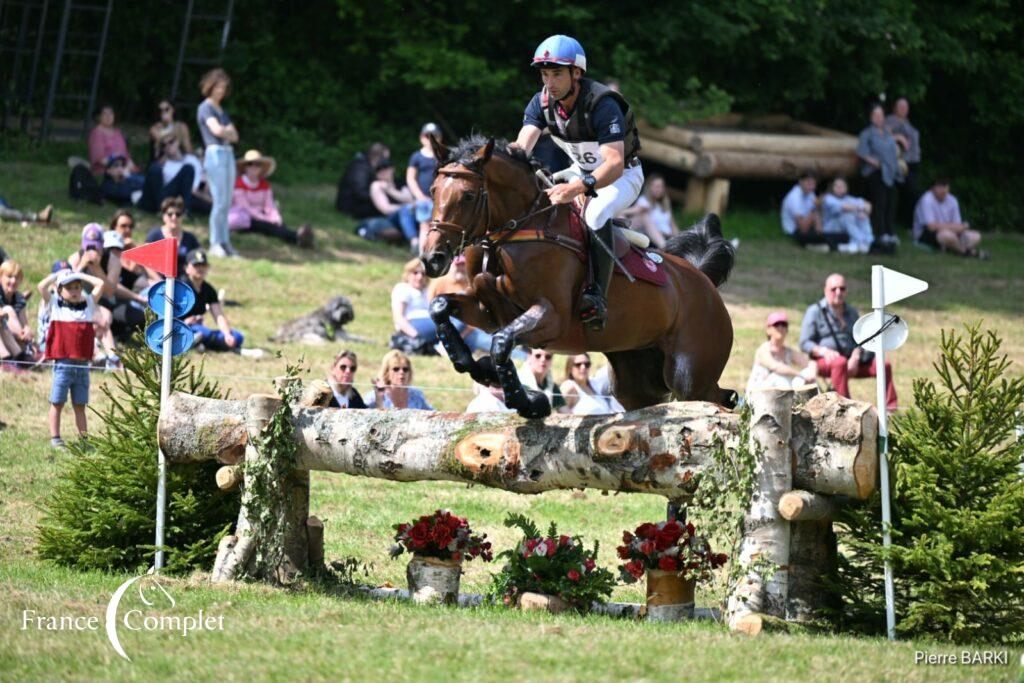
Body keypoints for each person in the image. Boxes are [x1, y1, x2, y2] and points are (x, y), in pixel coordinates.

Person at [509, 35, 644, 330]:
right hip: (579, 171)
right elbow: (522, 147)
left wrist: (579, 188)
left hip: (622, 176)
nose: (550, 82)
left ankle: (596, 296)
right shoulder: (541, 103)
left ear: (577, 73)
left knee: (594, 213)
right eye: (545, 74)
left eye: (557, 73)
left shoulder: (602, 104)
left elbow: (614, 164)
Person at [799, 273, 897, 410]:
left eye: (842, 288)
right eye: (834, 289)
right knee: (840, 362)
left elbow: (862, 339)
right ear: (825, 290)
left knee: (883, 364)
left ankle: (890, 409)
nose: (838, 292)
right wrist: (823, 350)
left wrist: (856, 356)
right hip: (825, 362)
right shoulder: (814, 311)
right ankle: (846, 409)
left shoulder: (851, 312)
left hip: (853, 361)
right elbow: (804, 343)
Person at [38, 269, 107, 448]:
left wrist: (80, 274)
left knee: (80, 404)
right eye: (69, 287)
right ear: (60, 290)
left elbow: (101, 284)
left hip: (83, 365)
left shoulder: (88, 304)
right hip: (63, 363)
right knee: (57, 402)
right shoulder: (55, 304)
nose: (75, 291)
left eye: (77, 287)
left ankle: (84, 440)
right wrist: (58, 275)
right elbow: (41, 287)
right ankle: (56, 439)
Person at [229, 149, 313, 248]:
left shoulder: (264, 185)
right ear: (245, 167)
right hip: (243, 217)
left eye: (257, 164)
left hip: (261, 215)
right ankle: (296, 236)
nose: (254, 167)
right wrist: (265, 219)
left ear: (261, 168)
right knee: (267, 226)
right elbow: (245, 207)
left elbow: (269, 205)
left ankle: (298, 238)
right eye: (250, 164)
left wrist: (275, 218)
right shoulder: (239, 184)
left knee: (278, 225)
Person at [197, 68, 240, 258]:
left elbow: (235, 136)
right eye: (218, 87)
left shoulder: (222, 110)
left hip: (228, 154)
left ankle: (225, 241)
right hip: (215, 154)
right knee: (219, 200)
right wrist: (226, 131)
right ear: (211, 87)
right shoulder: (205, 108)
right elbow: (217, 131)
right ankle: (215, 242)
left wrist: (226, 132)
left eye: (224, 88)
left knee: (227, 201)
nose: (221, 91)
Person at [67, 223, 120, 368]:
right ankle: (109, 357)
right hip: (79, 300)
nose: (91, 250)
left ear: (102, 245)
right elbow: (66, 287)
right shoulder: (75, 258)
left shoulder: (112, 260)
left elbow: (110, 291)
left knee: (105, 318)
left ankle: (104, 355)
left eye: (94, 246)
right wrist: (81, 267)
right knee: (100, 319)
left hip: (103, 300)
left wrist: (97, 268)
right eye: (88, 246)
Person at [179, 249, 245, 352]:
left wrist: (227, 334)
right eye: (196, 265)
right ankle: (196, 342)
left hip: (198, 328)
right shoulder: (179, 287)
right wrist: (184, 322)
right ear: (186, 268)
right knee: (205, 333)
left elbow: (219, 315)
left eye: (203, 265)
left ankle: (202, 344)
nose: (200, 268)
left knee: (237, 336)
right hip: (179, 327)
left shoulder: (208, 289)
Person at [857, 103, 903, 249]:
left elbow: (894, 151)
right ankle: (881, 233)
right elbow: (862, 153)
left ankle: (890, 232)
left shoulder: (888, 133)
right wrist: (875, 163)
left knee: (891, 202)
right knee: (880, 203)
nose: (879, 118)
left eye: (881, 115)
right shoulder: (867, 134)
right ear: (871, 117)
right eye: (876, 115)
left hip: (889, 171)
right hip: (875, 172)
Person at [745, 311, 817, 395]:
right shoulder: (763, 350)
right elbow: (777, 367)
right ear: (768, 330)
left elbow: (810, 362)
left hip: (780, 395)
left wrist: (812, 373)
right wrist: (800, 376)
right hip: (757, 395)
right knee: (779, 377)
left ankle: (819, 404)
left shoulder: (788, 352)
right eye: (776, 325)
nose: (780, 328)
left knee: (808, 372)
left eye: (783, 324)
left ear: (787, 329)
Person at [913, 179, 986, 258]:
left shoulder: (952, 200)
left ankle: (956, 249)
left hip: (951, 233)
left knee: (976, 236)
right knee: (947, 236)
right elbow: (931, 227)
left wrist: (960, 228)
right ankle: (969, 252)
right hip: (926, 234)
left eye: (945, 188)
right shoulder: (927, 199)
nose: (943, 191)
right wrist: (958, 227)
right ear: (933, 188)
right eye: (940, 187)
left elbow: (958, 225)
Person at [138, 133, 199, 213]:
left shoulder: (191, 160)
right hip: (161, 196)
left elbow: (194, 188)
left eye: (171, 142)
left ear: (177, 142)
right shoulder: (163, 163)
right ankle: (155, 207)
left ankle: (184, 210)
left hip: (180, 196)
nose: (168, 146)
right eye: (164, 145)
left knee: (188, 168)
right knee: (154, 169)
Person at [885, 98, 921, 228]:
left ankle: (905, 222)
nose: (904, 109)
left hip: (913, 162)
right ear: (894, 108)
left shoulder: (908, 122)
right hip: (901, 163)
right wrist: (898, 137)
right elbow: (882, 135)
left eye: (906, 107)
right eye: (901, 106)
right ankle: (907, 224)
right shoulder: (890, 121)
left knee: (910, 193)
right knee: (911, 192)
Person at [145, 196, 201, 278]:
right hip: (157, 281)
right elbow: (146, 263)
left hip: (183, 283)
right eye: (170, 214)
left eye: (178, 214)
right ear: (164, 216)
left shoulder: (190, 238)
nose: (174, 217)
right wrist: (158, 281)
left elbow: (199, 259)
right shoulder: (154, 236)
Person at [369, 159, 420, 249]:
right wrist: (405, 207)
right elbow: (385, 209)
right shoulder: (376, 185)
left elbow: (409, 200)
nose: (383, 172)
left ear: (392, 169)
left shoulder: (399, 183)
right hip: (389, 219)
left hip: (409, 215)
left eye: (385, 168)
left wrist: (391, 191)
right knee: (406, 210)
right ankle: (414, 242)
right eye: (379, 170)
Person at [407, 123, 442, 249]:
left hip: (439, 199)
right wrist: (419, 196)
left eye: (435, 136)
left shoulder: (442, 156)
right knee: (424, 226)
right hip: (423, 198)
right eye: (428, 136)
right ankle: (423, 254)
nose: (431, 139)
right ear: (422, 138)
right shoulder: (417, 157)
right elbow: (411, 178)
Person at [391, 258, 438, 352]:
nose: (419, 277)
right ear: (408, 274)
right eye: (415, 273)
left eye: (423, 274)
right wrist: (416, 336)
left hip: (430, 323)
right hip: (413, 325)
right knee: (454, 323)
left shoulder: (427, 291)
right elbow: (398, 317)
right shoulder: (403, 288)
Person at [781, 170, 834, 251]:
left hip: (810, 227)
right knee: (826, 237)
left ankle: (822, 240)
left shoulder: (810, 193)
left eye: (814, 184)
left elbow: (818, 217)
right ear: (801, 181)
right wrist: (814, 208)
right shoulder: (794, 197)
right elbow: (803, 228)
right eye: (808, 183)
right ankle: (821, 242)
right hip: (795, 231)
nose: (811, 187)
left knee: (831, 230)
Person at [623, 174, 679, 248]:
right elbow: (636, 213)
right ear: (649, 187)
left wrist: (679, 239)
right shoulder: (644, 201)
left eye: (661, 186)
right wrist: (638, 210)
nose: (659, 189)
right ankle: (664, 247)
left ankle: (676, 246)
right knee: (644, 215)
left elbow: (673, 225)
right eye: (656, 186)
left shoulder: (665, 204)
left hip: (668, 237)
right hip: (653, 238)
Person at [336, 142, 390, 218]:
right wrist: (379, 197)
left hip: (356, 202)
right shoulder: (360, 168)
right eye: (385, 159)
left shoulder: (367, 166)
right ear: (378, 157)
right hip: (350, 206)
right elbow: (360, 192)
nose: (386, 162)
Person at [821, 177, 874, 253]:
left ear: (846, 188)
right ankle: (860, 241)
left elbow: (868, 205)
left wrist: (864, 212)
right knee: (847, 215)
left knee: (863, 215)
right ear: (832, 188)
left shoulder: (848, 198)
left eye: (842, 186)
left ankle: (869, 240)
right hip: (831, 229)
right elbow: (844, 207)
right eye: (836, 186)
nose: (839, 188)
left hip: (845, 230)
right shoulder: (828, 198)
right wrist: (861, 208)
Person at [559, 353, 624, 415]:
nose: (583, 367)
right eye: (578, 365)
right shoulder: (569, 386)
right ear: (570, 367)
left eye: (587, 364)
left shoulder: (594, 384)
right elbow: (560, 411)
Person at [368, 350, 433, 409]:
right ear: (386, 372)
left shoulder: (416, 395)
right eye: (396, 369)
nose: (401, 372)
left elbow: (431, 414)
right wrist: (379, 399)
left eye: (405, 369)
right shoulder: (374, 396)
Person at [1, 260, 34, 364]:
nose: (13, 281)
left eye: (17, 278)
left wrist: (27, 330)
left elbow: (24, 323)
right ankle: (16, 356)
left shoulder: (19, 298)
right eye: (9, 277)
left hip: (14, 338)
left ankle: (24, 353)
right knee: (7, 310)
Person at [88, 105, 137, 175]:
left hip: (123, 170)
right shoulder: (96, 133)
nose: (108, 116)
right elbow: (99, 158)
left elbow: (126, 154)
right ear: (98, 117)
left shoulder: (117, 132)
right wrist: (120, 168)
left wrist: (132, 166)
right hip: (107, 172)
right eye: (105, 114)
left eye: (111, 113)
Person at [517, 348, 567, 413]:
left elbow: (566, 411)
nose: (543, 360)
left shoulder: (552, 387)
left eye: (548, 357)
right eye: (538, 356)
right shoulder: (518, 383)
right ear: (529, 357)